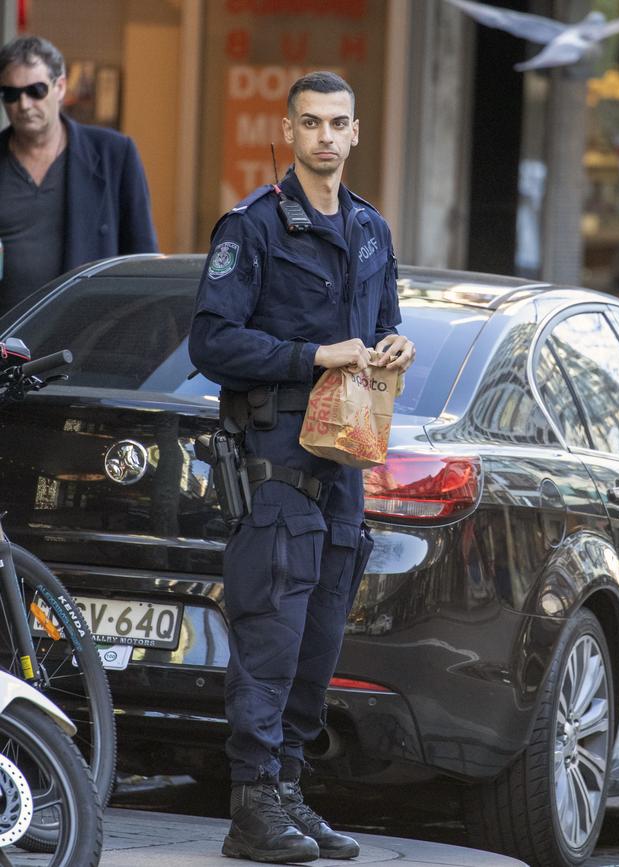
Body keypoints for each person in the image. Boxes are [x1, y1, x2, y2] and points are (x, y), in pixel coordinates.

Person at [189, 71, 415, 864]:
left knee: (316, 648)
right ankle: (252, 808)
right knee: (271, 643)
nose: (325, 136)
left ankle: (287, 793)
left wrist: (396, 344)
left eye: (339, 123)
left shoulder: (370, 231)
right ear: (289, 131)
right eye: (311, 123)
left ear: (357, 132)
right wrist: (313, 354)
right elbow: (211, 344)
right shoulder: (252, 227)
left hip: (343, 468)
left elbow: (384, 320)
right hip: (274, 467)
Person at [0, 35, 157, 315]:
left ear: (60, 87)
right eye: (11, 94)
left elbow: (143, 259)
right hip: (6, 336)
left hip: (89, 335)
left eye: (35, 90)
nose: (23, 104)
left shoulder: (114, 154)